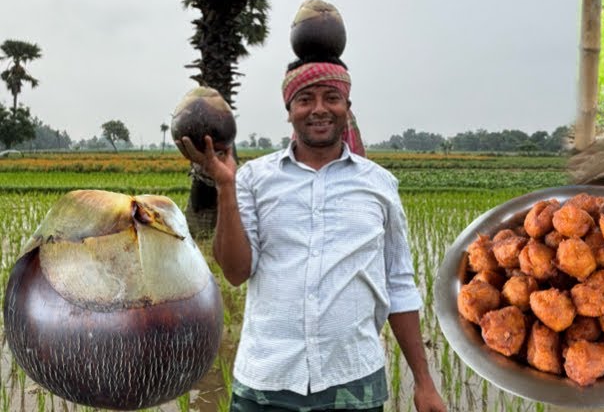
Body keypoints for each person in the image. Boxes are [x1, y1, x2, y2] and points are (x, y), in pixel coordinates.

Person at [180, 61, 446, 412]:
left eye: (331, 98)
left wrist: (424, 382)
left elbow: (398, 284)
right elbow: (235, 272)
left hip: (354, 380)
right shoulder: (253, 179)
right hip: (266, 381)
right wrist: (226, 186)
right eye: (305, 100)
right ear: (289, 111)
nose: (319, 109)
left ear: (347, 108)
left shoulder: (379, 184)